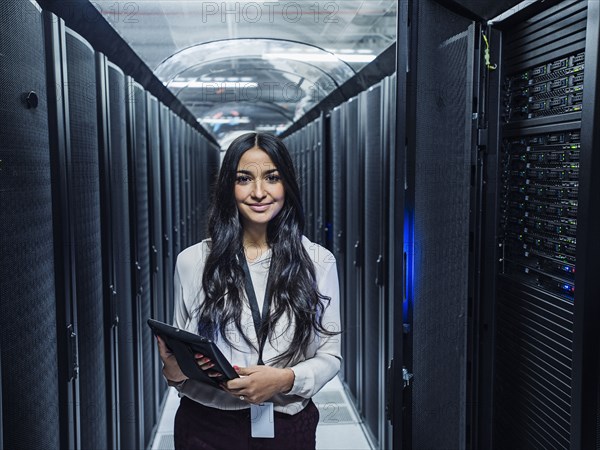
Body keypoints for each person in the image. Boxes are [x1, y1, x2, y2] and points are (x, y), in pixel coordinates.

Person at [157, 132, 342, 449]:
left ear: (287, 185)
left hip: (287, 426)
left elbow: (330, 355)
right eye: (244, 179)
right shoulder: (192, 261)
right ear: (229, 186)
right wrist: (173, 370)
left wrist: (285, 379)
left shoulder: (318, 262)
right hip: (205, 427)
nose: (259, 192)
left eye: (272, 177)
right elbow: (179, 363)